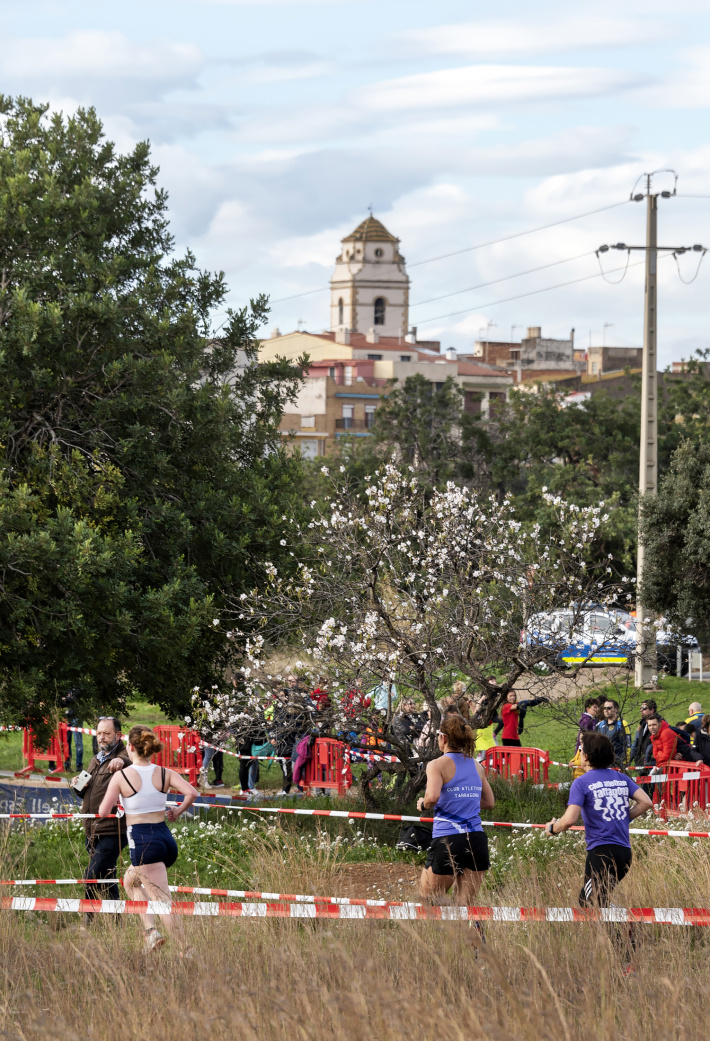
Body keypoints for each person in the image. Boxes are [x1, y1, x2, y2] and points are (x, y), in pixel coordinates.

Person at [545, 731, 652, 966]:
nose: (579, 754)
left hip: (601, 853)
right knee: (598, 901)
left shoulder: (581, 782)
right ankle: (625, 944)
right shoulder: (620, 778)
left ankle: (626, 944)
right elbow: (646, 802)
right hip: (624, 853)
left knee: (588, 902)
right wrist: (624, 819)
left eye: (581, 750)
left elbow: (570, 819)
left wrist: (552, 828)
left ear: (587, 755)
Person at [99, 725, 198, 952]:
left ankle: (186, 949)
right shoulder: (164, 772)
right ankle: (150, 933)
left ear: (130, 747)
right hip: (165, 839)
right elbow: (192, 792)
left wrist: (119, 801)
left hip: (143, 841)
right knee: (130, 881)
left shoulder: (121, 776)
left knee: (162, 901)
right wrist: (178, 811)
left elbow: (104, 811)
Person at [417, 715, 495, 908]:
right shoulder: (476, 765)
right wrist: (465, 800)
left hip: (449, 839)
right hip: (476, 838)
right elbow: (489, 802)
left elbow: (432, 797)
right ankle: (473, 938)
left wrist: (423, 804)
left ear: (443, 738)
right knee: (466, 907)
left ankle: (434, 938)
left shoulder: (436, 764)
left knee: (427, 901)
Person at [72, 716, 130, 924]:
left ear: (118, 735)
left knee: (91, 873)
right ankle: (117, 921)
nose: (102, 737)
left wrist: (122, 762)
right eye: (99, 733)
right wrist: (76, 784)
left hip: (113, 830)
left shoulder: (124, 755)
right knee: (106, 876)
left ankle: (88, 918)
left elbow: (132, 765)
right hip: (92, 829)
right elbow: (83, 794)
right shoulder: (96, 759)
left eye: (107, 733)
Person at [594, 699, 630, 768]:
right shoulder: (600, 725)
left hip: (617, 763)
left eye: (609, 708)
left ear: (616, 709)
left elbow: (627, 744)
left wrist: (625, 761)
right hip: (602, 763)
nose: (606, 710)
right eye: (604, 708)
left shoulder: (622, 724)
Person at [629, 699, 657, 768]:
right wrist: (629, 760)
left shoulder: (659, 724)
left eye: (644, 708)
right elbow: (636, 743)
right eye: (641, 708)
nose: (641, 710)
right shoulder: (641, 724)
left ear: (652, 710)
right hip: (640, 763)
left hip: (652, 764)